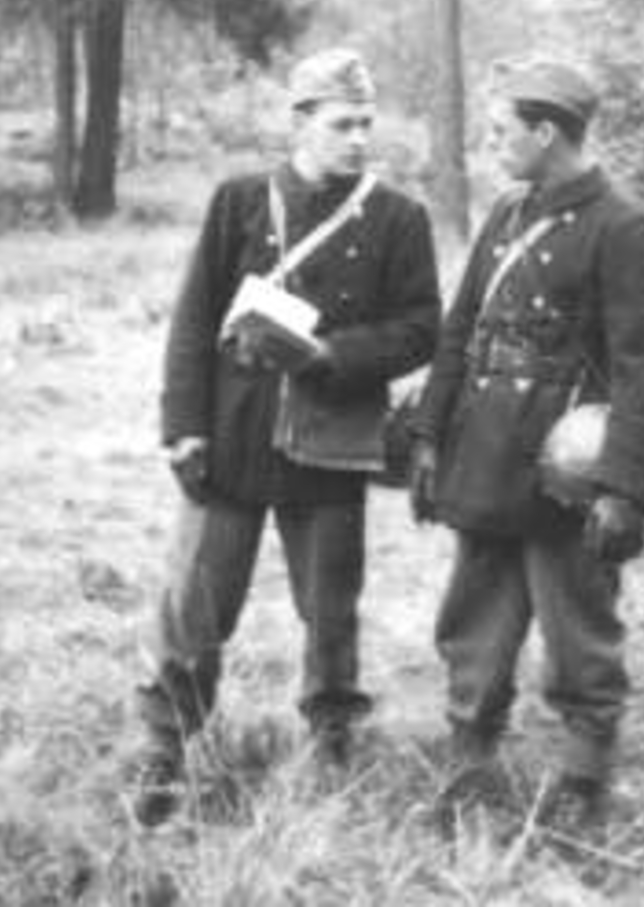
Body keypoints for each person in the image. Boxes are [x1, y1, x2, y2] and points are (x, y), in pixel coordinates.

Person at [131, 47, 441, 827]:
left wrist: (333, 355)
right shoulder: (238, 202)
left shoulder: (398, 218)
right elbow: (194, 320)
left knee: (331, 608)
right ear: (300, 121)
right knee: (196, 603)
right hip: (233, 438)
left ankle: (332, 737)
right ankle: (165, 747)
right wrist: (183, 428)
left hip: (331, 442)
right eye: (342, 124)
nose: (359, 139)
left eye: (366, 124)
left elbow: (420, 328)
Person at [410, 58, 644, 828]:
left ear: (545, 133)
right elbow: (460, 332)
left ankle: (583, 778)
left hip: (565, 475)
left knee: (579, 634)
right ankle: (470, 763)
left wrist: (627, 490)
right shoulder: (506, 214)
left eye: (501, 130)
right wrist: (429, 434)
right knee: (473, 622)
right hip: (484, 454)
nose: (491, 143)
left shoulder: (624, 229)